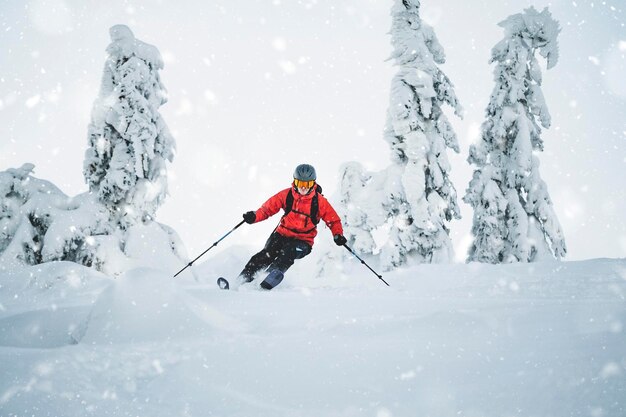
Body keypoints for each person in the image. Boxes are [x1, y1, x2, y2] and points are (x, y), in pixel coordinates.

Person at [238, 163, 347, 290]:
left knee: (288, 252)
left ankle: (267, 279)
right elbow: (267, 209)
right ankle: (241, 281)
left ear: (313, 184)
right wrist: (254, 217)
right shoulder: (286, 195)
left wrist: (337, 234)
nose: (304, 188)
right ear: (294, 182)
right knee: (266, 254)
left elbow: (333, 220)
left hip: (303, 242)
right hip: (281, 235)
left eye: (308, 184)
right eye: (300, 183)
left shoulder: (319, 202)